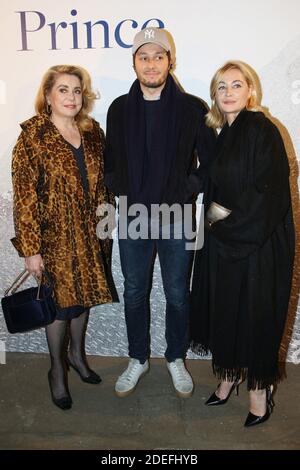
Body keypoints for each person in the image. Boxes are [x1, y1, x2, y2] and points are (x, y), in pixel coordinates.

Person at [104, 27, 215, 398]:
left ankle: (175, 358)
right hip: (133, 214)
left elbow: (209, 161)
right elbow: (110, 159)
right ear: (134, 62)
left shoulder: (192, 108)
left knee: (177, 294)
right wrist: (121, 186)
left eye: (158, 56)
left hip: (179, 217)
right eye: (143, 57)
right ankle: (137, 358)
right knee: (135, 291)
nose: (151, 64)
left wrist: (188, 188)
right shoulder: (119, 108)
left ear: (171, 61)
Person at [190, 60, 295, 427]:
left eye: (236, 85)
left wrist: (228, 224)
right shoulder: (221, 136)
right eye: (222, 87)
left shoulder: (263, 129)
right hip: (222, 241)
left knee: (254, 316)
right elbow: (212, 186)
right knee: (226, 310)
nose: (229, 92)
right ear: (215, 97)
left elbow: (270, 193)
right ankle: (229, 376)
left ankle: (258, 390)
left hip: (256, 243)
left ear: (250, 90)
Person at [11, 65, 118, 410]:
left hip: (90, 234)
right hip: (53, 237)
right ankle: (57, 370)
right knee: (60, 307)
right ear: (48, 95)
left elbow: (103, 185)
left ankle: (77, 355)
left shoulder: (93, 131)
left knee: (82, 299)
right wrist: (31, 249)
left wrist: (108, 222)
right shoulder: (33, 137)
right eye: (63, 90)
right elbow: (24, 196)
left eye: (77, 90)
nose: (71, 97)